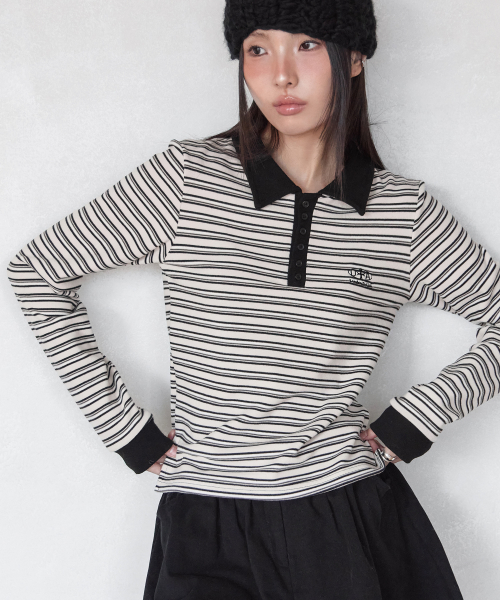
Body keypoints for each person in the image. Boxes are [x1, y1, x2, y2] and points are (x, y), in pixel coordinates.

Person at [8, 0, 500, 598]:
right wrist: (124, 429)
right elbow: (37, 272)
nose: (281, 75)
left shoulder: (402, 214)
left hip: (348, 519)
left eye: (307, 44)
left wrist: (424, 413)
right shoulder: (187, 180)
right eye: (258, 49)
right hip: (205, 523)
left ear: (353, 58)